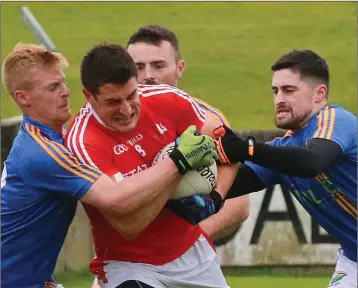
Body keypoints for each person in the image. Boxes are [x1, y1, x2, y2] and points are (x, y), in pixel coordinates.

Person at [0, 43, 217, 288]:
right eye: (52, 87)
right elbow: (115, 199)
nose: (65, 92)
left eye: (61, 82)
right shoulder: (44, 153)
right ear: (22, 97)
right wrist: (178, 161)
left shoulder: (45, 142)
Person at [65, 43, 234, 288]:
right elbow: (128, 225)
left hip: (194, 256)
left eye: (132, 95)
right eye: (112, 101)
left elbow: (231, 148)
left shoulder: (168, 99)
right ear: (89, 96)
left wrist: (216, 198)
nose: (126, 109)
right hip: (130, 267)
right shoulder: (82, 142)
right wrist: (178, 165)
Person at [214, 49, 357, 288]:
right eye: (276, 91)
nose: (279, 98)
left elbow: (311, 161)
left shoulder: (336, 120)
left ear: (319, 95)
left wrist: (248, 149)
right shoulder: (283, 148)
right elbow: (229, 185)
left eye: (289, 90)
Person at [126, 24, 249, 242]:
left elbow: (239, 205)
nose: (148, 76)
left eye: (158, 65)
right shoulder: (114, 123)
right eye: (138, 67)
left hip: (187, 256)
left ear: (179, 68)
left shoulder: (208, 120)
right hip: (124, 254)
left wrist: (188, 243)